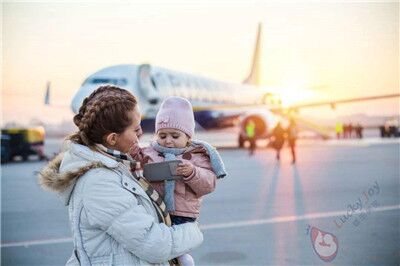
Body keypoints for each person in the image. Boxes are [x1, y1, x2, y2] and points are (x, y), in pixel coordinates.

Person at [39, 86, 203, 266]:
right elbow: (155, 245)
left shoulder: (117, 164)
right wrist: (193, 231)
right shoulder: (99, 183)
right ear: (112, 139)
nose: (141, 133)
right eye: (136, 129)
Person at [132, 96, 227, 266]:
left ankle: (182, 259)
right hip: (156, 210)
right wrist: (133, 151)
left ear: (187, 137)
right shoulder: (150, 152)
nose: (168, 141)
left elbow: (209, 184)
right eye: (162, 135)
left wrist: (192, 173)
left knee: (179, 252)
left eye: (175, 136)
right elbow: (134, 160)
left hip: (183, 214)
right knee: (157, 249)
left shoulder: (197, 156)